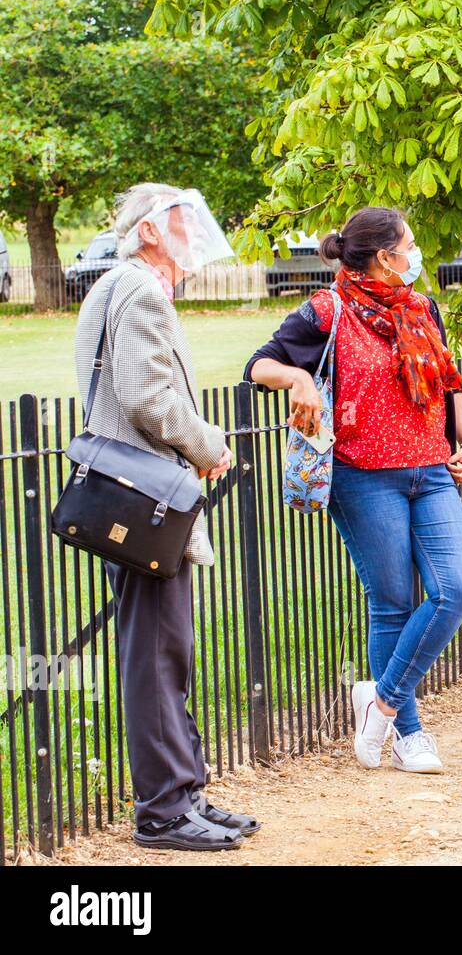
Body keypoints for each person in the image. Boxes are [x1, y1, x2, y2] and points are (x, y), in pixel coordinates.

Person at [246, 207, 462, 775]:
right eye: (410, 245)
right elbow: (259, 365)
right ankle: (410, 733)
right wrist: (300, 377)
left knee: (461, 587)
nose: (415, 255)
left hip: (430, 469)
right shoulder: (327, 310)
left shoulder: (422, 308)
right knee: (394, 603)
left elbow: (447, 378)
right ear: (384, 256)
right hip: (363, 474)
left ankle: (380, 703)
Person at [74, 183, 257, 851]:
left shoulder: (123, 285)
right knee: (156, 656)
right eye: (180, 219)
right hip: (146, 502)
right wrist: (208, 444)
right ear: (150, 230)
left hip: (140, 498)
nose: (193, 229)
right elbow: (147, 396)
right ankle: (164, 812)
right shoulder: (141, 290)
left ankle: (185, 794)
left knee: (165, 651)